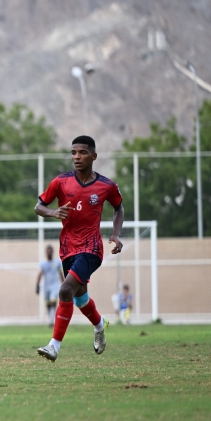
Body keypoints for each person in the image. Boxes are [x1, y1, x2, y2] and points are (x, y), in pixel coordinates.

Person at [34, 135, 123, 361]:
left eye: (82, 152)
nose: (77, 157)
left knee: (65, 290)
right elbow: (39, 206)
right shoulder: (61, 182)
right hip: (67, 249)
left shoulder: (106, 185)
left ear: (94, 156)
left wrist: (115, 234)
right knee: (80, 299)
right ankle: (100, 324)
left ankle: (54, 346)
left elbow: (118, 207)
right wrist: (53, 212)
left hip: (92, 249)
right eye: (73, 152)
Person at [35, 245, 63, 327]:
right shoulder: (43, 263)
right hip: (46, 286)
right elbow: (40, 274)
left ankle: (52, 320)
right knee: (48, 303)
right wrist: (37, 285)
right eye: (48, 251)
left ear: (52, 252)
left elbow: (60, 274)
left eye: (50, 251)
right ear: (46, 252)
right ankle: (50, 318)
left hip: (55, 285)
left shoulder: (57, 262)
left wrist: (64, 284)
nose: (49, 252)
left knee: (53, 301)